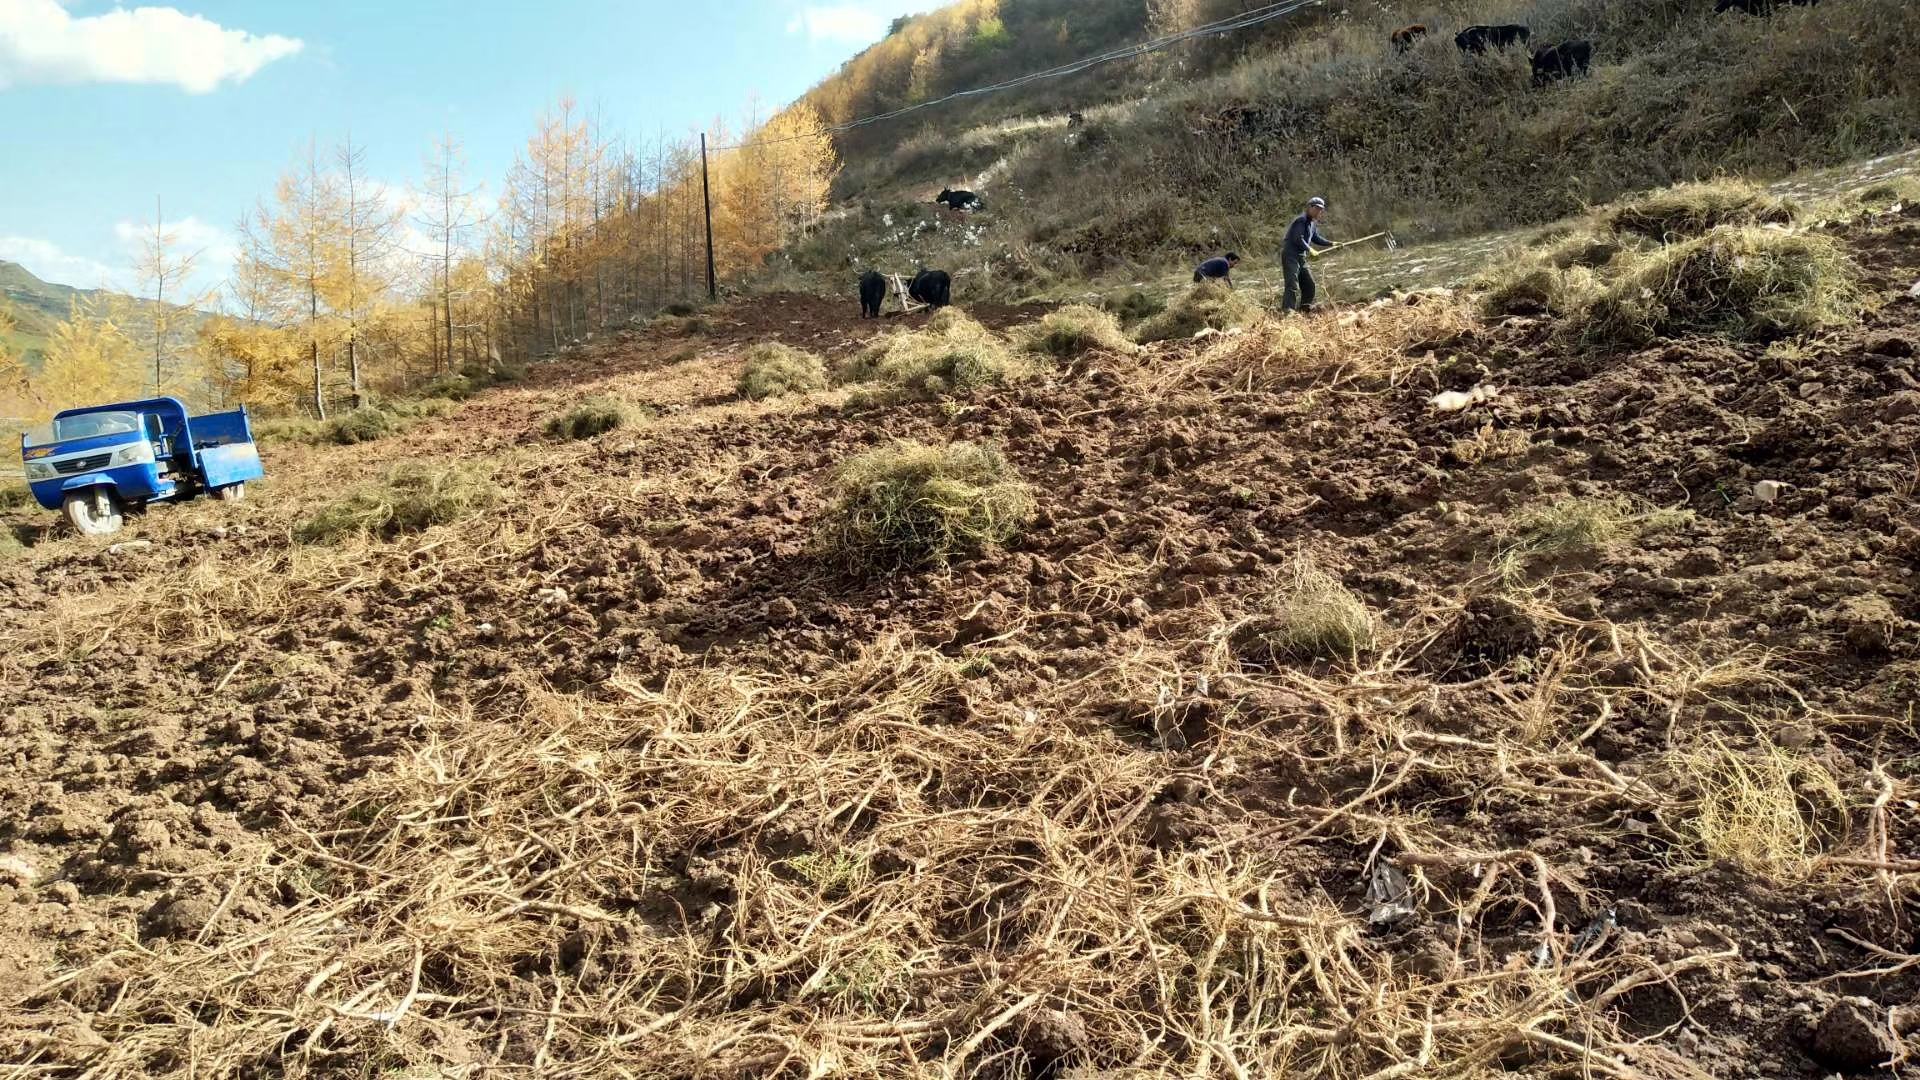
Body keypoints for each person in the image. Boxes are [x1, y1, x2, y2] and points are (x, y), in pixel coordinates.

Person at [1282, 196, 1336, 313]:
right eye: (1317, 208)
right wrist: (1310, 249)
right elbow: (1298, 239)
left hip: (1301, 257)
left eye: (1321, 209)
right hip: (1291, 255)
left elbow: (1316, 238)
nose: (1319, 211)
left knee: (1309, 285)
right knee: (1292, 283)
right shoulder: (1301, 221)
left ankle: (1304, 309)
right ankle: (1287, 311)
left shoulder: (1312, 223)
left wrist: (1331, 243)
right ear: (1310, 207)